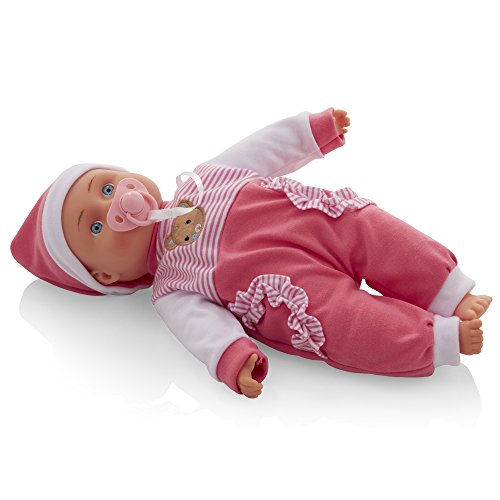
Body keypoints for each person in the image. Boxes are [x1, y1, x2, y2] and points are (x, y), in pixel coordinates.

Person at [11, 107, 492, 398]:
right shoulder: (172, 290)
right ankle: (436, 341)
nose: (116, 203)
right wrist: (232, 357)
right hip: (297, 295)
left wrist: (310, 132)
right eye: (96, 226)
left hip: (322, 221)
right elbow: (204, 331)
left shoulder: (204, 177)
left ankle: (448, 290)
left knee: (372, 228)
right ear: (107, 277)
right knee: (345, 324)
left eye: (107, 186)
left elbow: (262, 149)